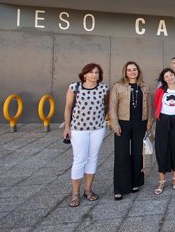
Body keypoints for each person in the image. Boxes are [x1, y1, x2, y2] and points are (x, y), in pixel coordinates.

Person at [63, 63, 109, 207]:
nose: (94, 75)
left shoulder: (104, 88)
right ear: (84, 74)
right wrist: (67, 126)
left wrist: (106, 119)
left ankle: (88, 190)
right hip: (79, 129)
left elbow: (106, 106)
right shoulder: (74, 87)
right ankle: (75, 193)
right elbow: (68, 107)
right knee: (79, 159)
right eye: (91, 72)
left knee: (92, 158)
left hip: (97, 128)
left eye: (96, 72)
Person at [109, 61, 153, 200]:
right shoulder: (118, 86)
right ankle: (120, 187)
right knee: (121, 155)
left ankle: (136, 182)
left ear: (138, 71)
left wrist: (149, 122)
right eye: (129, 70)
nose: (132, 72)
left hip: (140, 123)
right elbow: (112, 106)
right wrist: (115, 124)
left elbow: (149, 105)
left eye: (134, 69)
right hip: (123, 123)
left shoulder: (144, 86)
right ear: (125, 72)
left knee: (137, 154)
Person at [153, 68, 175, 194]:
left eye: (171, 75)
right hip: (163, 121)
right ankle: (162, 181)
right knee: (161, 149)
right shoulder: (160, 91)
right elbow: (156, 104)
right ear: (164, 78)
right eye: (166, 76)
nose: (169, 77)